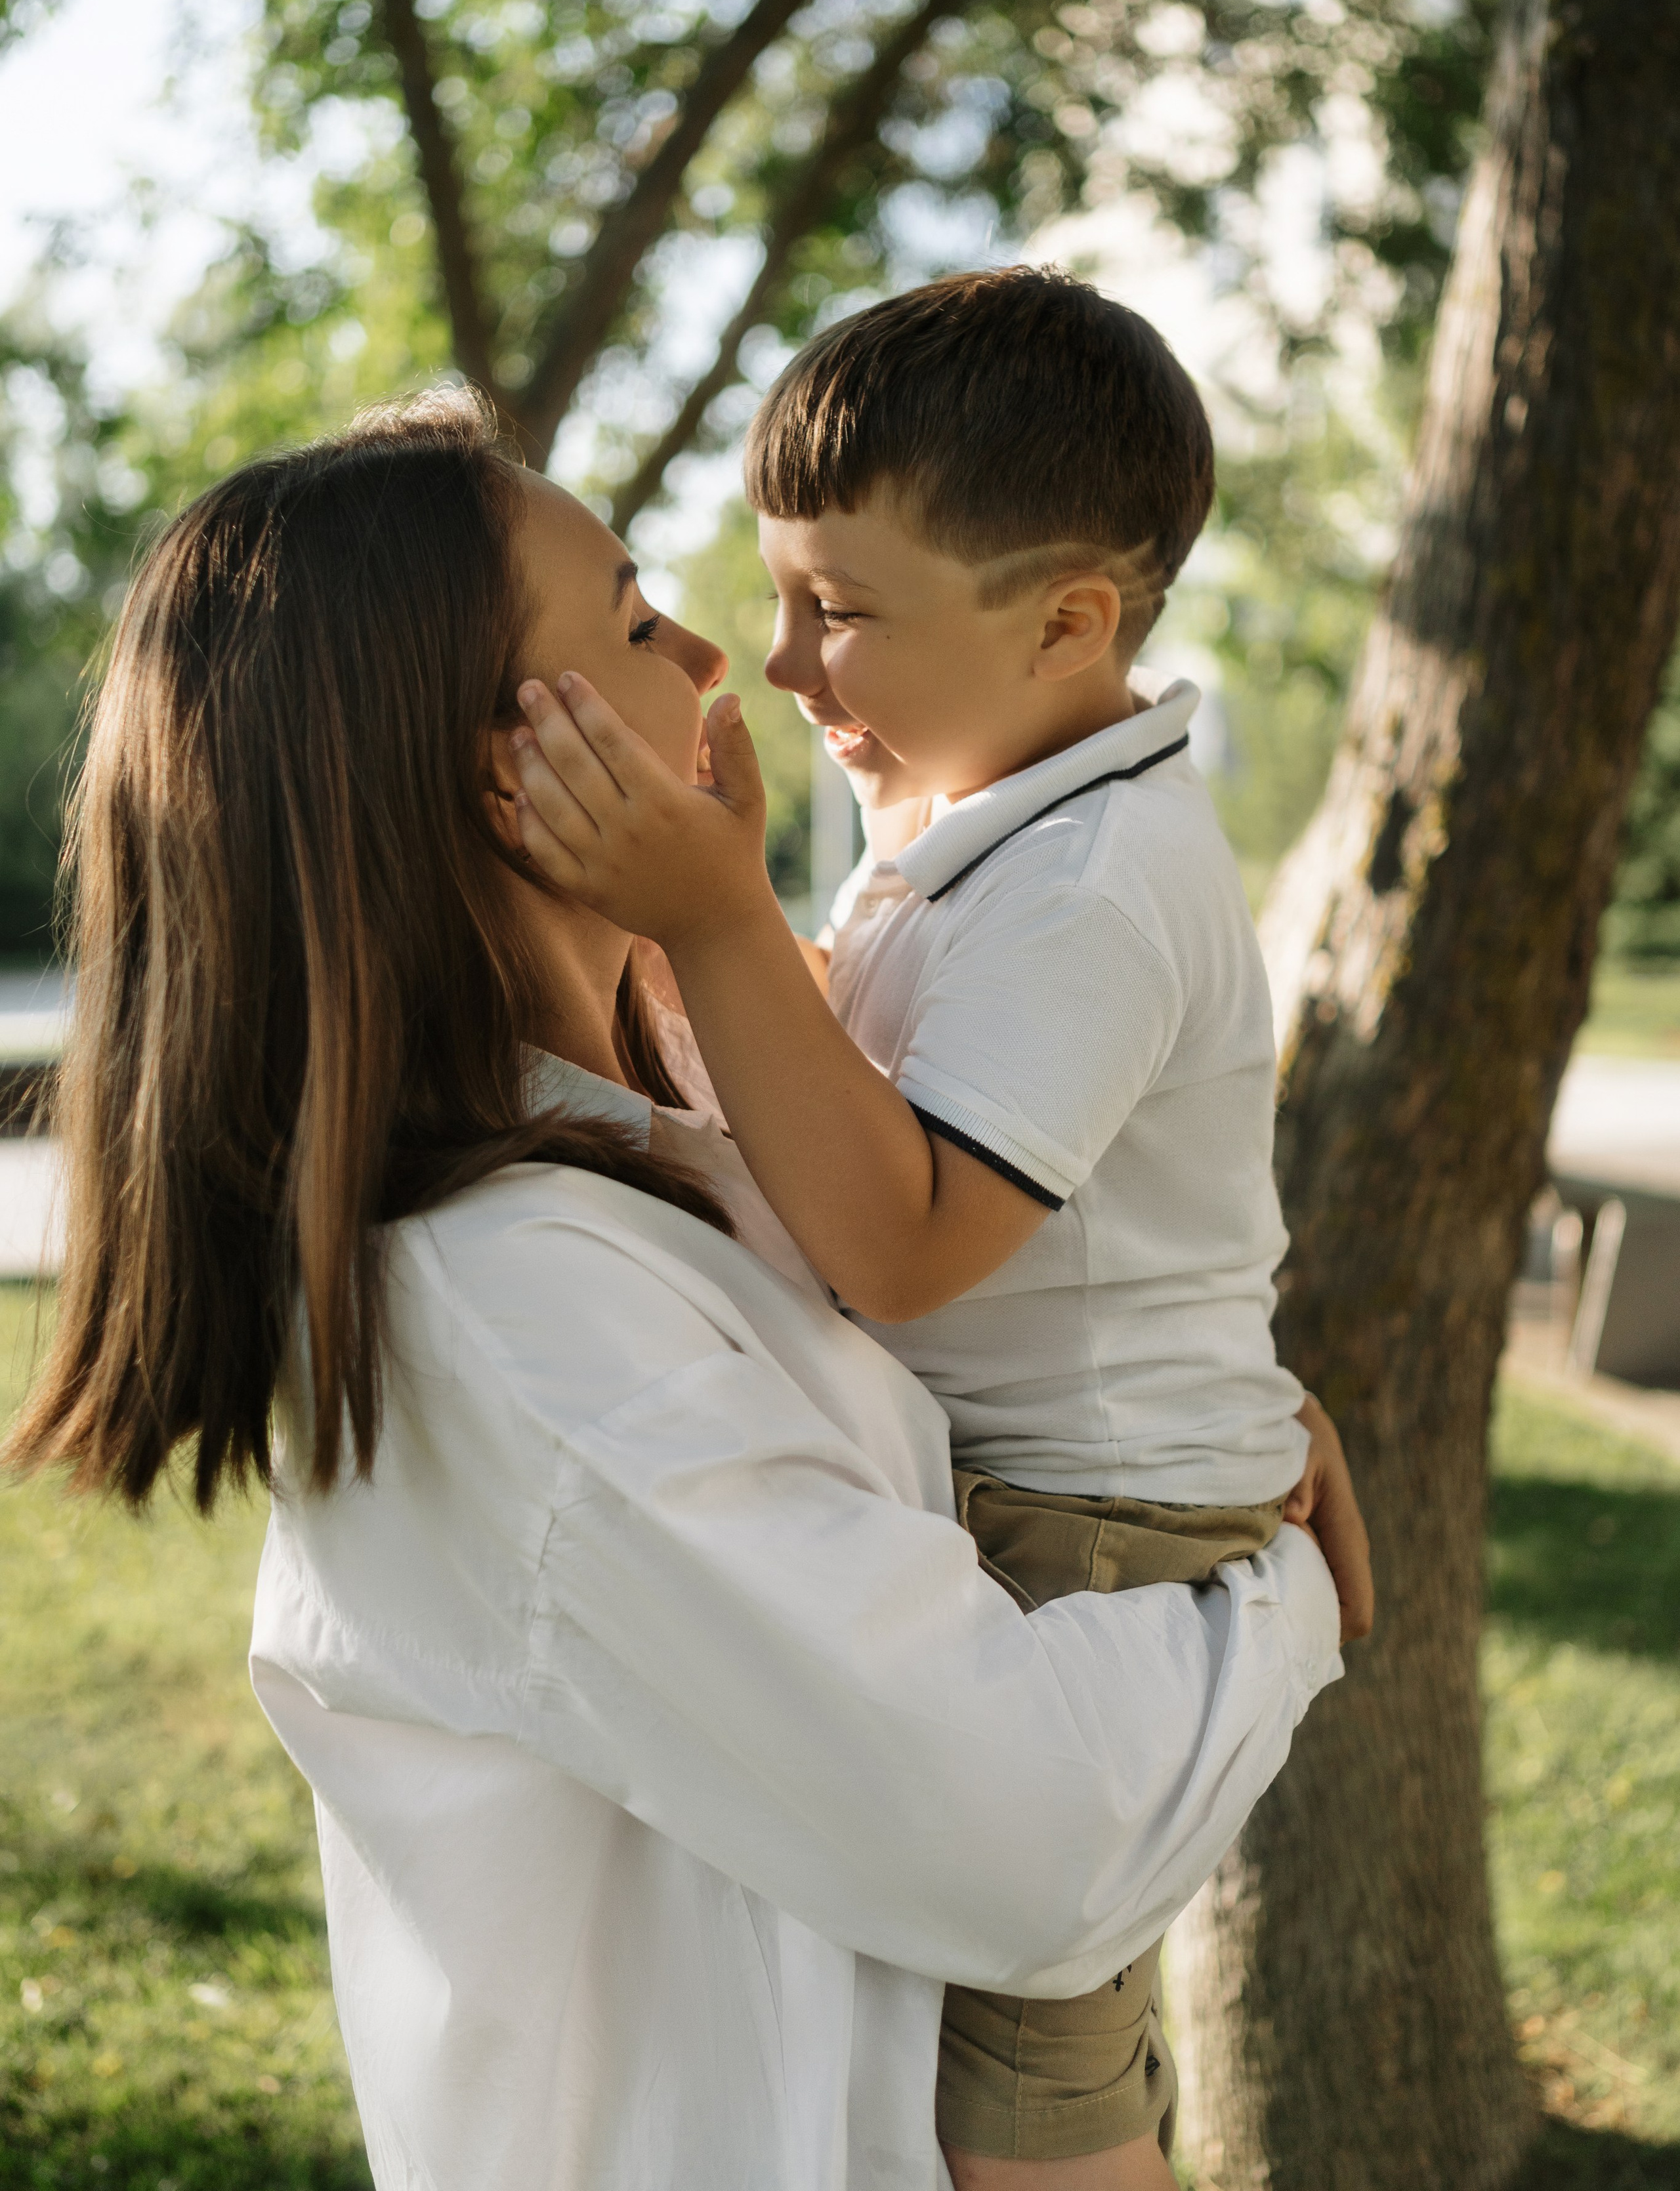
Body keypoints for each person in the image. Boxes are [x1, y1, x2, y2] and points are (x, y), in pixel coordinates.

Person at [3, 389, 1351, 2191]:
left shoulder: (672, 1135)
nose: (731, 652)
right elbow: (1033, 1844)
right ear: (502, 772)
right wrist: (1287, 1583)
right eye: (639, 620)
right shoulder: (508, 1315)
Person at [504, 270, 1376, 2191]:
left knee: (1026, 2085)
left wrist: (718, 922)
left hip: (1093, 1536)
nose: (784, 660)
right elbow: (841, 1095)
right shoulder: (973, 809)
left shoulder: (1090, 883)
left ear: (1070, 621)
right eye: (778, 587)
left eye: (844, 610)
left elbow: (898, 1247)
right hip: (1047, 1485)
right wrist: (697, 924)